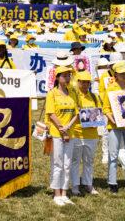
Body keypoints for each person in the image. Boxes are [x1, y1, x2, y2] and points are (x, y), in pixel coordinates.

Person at [102, 61, 125, 195]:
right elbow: (105, 108)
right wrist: (115, 122)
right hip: (114, 126)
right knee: (113, 155)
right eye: (122, 73)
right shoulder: (111, 88)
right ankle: (112, 182)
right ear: (116, 74)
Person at [46, 66, 78, 206]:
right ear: (58, 78)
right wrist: (62, 129)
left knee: (67, 164)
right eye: (64, 75)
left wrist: (68, 127)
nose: (67, 78)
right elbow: (51, 114)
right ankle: (56, 194)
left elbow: (76, 113)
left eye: (68, 75)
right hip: (56, 133)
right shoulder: (52, 94)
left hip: (69, 133)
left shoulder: (72, 92)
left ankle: (64, 193)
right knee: (57, 163)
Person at [70, 71, 101, 196]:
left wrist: (95, 119)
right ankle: (75, 185)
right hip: (77, 133)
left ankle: (88, 184)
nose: (85, 84)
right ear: (77, 82)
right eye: (82, 82)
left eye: (87, 82)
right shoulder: (73, 96)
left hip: (92, 135)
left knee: (89, 161)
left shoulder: (94, 97)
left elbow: (98, 114)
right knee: (75, 161)